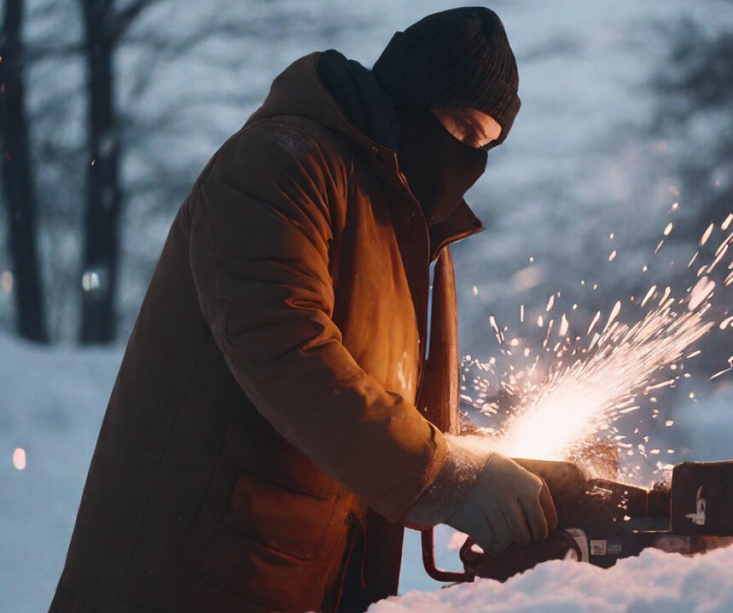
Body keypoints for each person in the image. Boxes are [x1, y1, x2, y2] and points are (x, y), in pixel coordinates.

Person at [49, 7, 557, 613]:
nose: (470, 160)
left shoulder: (408, 232)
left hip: (296, 585)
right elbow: (288, 350)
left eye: (487, 145)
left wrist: (488, 462)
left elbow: (382, 406)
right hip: (189, 579)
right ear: (409, 96)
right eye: (462, 129)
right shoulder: (280, 164)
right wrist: (447, 476)